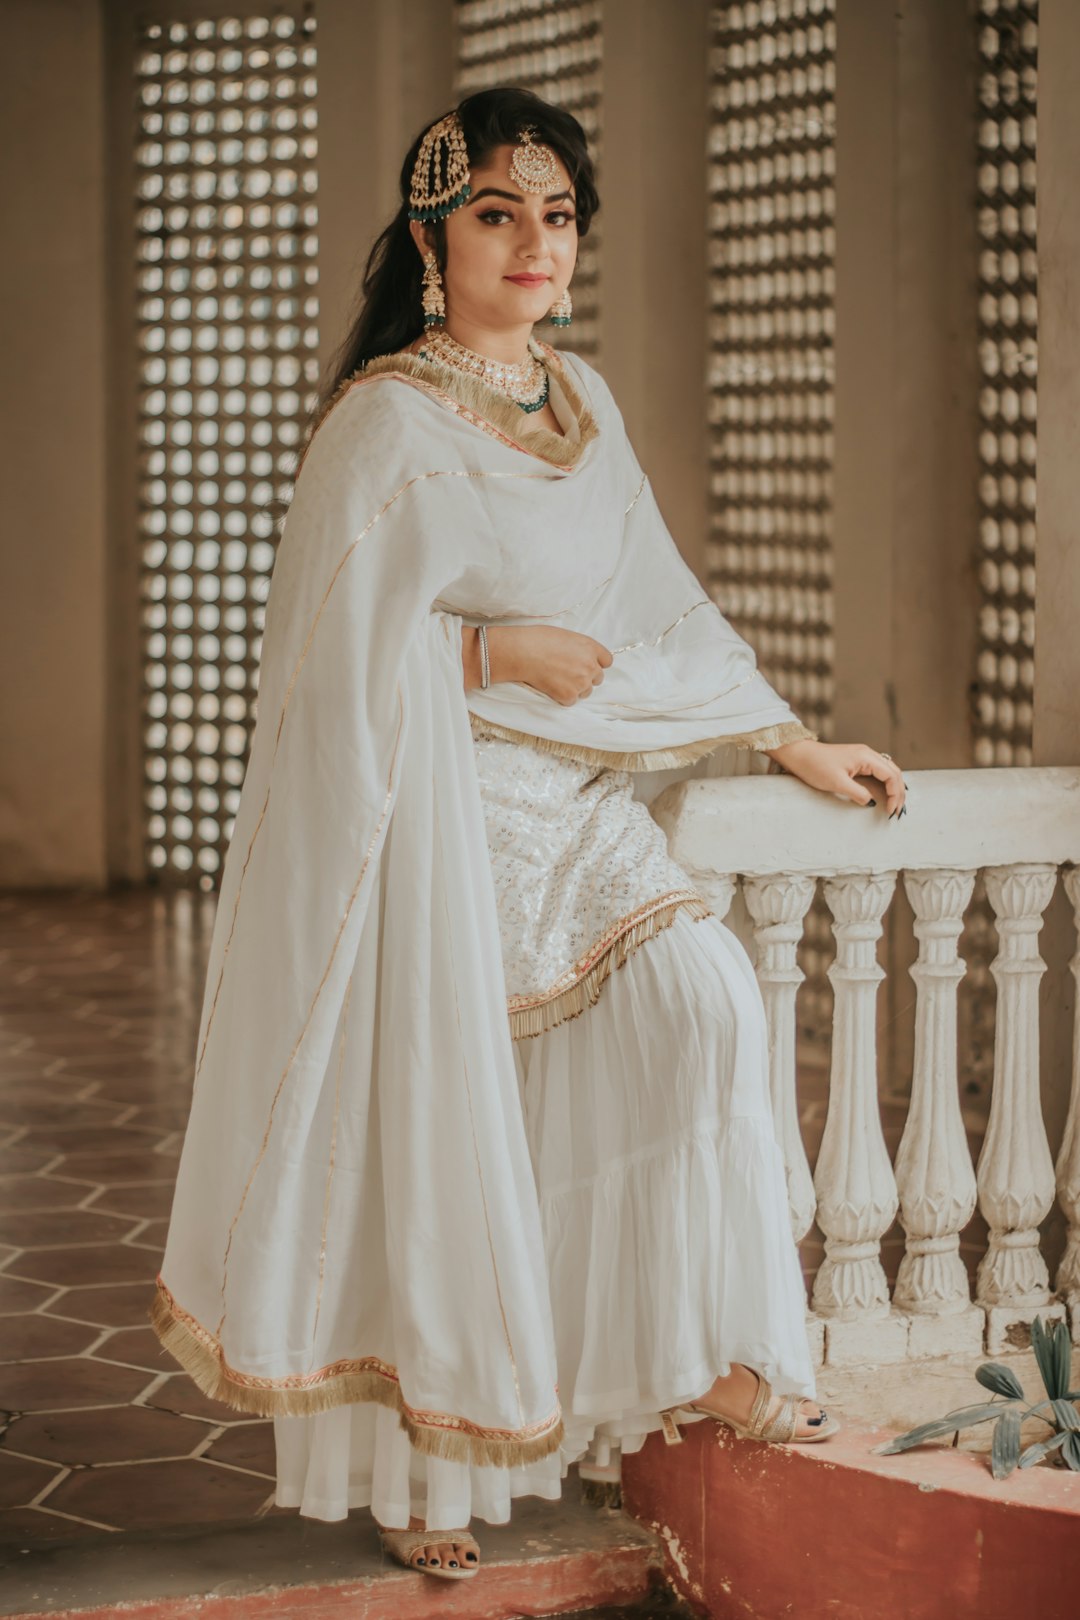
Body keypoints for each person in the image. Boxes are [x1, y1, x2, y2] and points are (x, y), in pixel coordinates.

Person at [150, 87, 906, 1584]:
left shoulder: (585, 403)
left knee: (703, 1008)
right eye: (501, 212)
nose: (536, 243)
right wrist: (482, 663)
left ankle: (683, 1348)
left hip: (577, 803)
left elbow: (659, 605)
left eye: (558, 215)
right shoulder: (383, 422)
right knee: (444, 1127)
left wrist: (788, 738)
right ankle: (429, 1438)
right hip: (431, 818)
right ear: (436, 235)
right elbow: (314, 668)